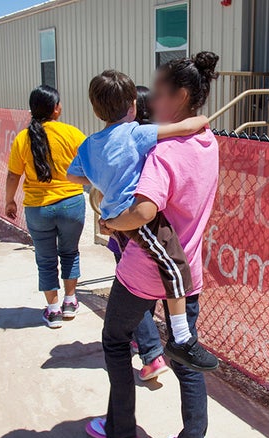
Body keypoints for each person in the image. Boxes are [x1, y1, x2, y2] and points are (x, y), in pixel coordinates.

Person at [84, 51, 220, 438]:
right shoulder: (208, 142)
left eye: (158, 94)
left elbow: (143, 213)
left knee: (114, 342)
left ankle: (121, 429)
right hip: (187, 274)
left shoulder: (162, 154)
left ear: (179, 96)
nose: (150, 104)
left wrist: (109, 219)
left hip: (142, 273)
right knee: (185, 354)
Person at [67, 70, 218, 372]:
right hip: (137, 218)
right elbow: (179, 128)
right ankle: (181, 337)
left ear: (95, 110)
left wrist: (100, 178)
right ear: (133, 106)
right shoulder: (134, 133)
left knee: (159, 264)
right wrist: (202, 121)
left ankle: (162, 343)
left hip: (113, 214)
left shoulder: (88, 144)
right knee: (174, 264)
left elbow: (71, 175)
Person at [5, 85, 86, 329]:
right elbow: (91, 163)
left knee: (46, 258)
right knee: (70, 253)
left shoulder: (22, 138)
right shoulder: (72, 133)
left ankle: (53, 311)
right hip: (71, 204)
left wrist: (9, 200)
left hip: (38, 208)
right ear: (56, 109)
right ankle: (70, 302)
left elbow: (12, 175)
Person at [106, 85, 169, 382]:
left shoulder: (129, 145)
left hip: (128, 229)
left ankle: (151, 353)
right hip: (159, 236)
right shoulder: (157, 143)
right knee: (147, 292)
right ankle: (149, 346)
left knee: (133, 289)